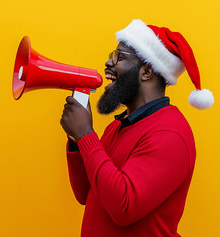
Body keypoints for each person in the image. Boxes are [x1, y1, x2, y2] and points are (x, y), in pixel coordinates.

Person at [60, 19, 214, 237]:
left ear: (147, 71)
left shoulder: (170, 133)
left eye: (119, 57)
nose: (108, 63)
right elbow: (86, 193)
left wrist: (86, 134)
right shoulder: (118, 126)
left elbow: (123, 207)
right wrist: (77, 139)